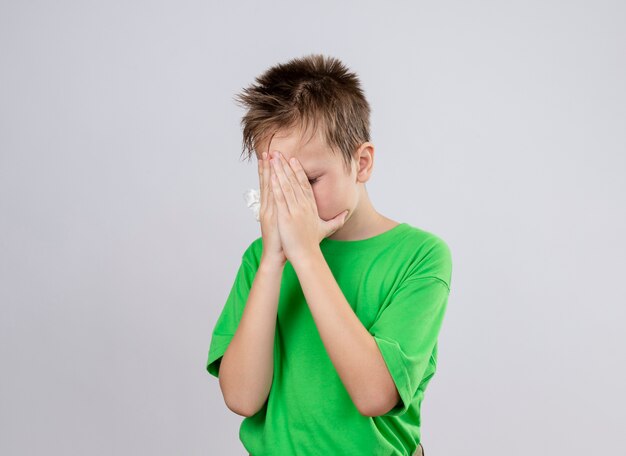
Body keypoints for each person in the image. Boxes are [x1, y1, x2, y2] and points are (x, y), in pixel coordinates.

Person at [206, 53, 452, 456]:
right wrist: (273, 261)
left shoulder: (420, 256)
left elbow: (375, 394)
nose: (291, 200)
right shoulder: (260, 259)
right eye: (278, 183)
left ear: (361, 163)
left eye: (307, 180)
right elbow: (242, 399)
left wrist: (305, 254)